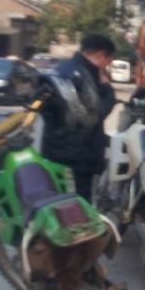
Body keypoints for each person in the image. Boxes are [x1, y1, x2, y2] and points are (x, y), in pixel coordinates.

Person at [39, 34, 117, 202]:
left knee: (59, 202)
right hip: (78, 158)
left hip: (55, 152)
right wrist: (107, 89)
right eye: (108, 62)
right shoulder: (85, 77)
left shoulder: (63, 68)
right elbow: (95, 114)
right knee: (80, 209)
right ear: (100, 55)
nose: (107, 68)